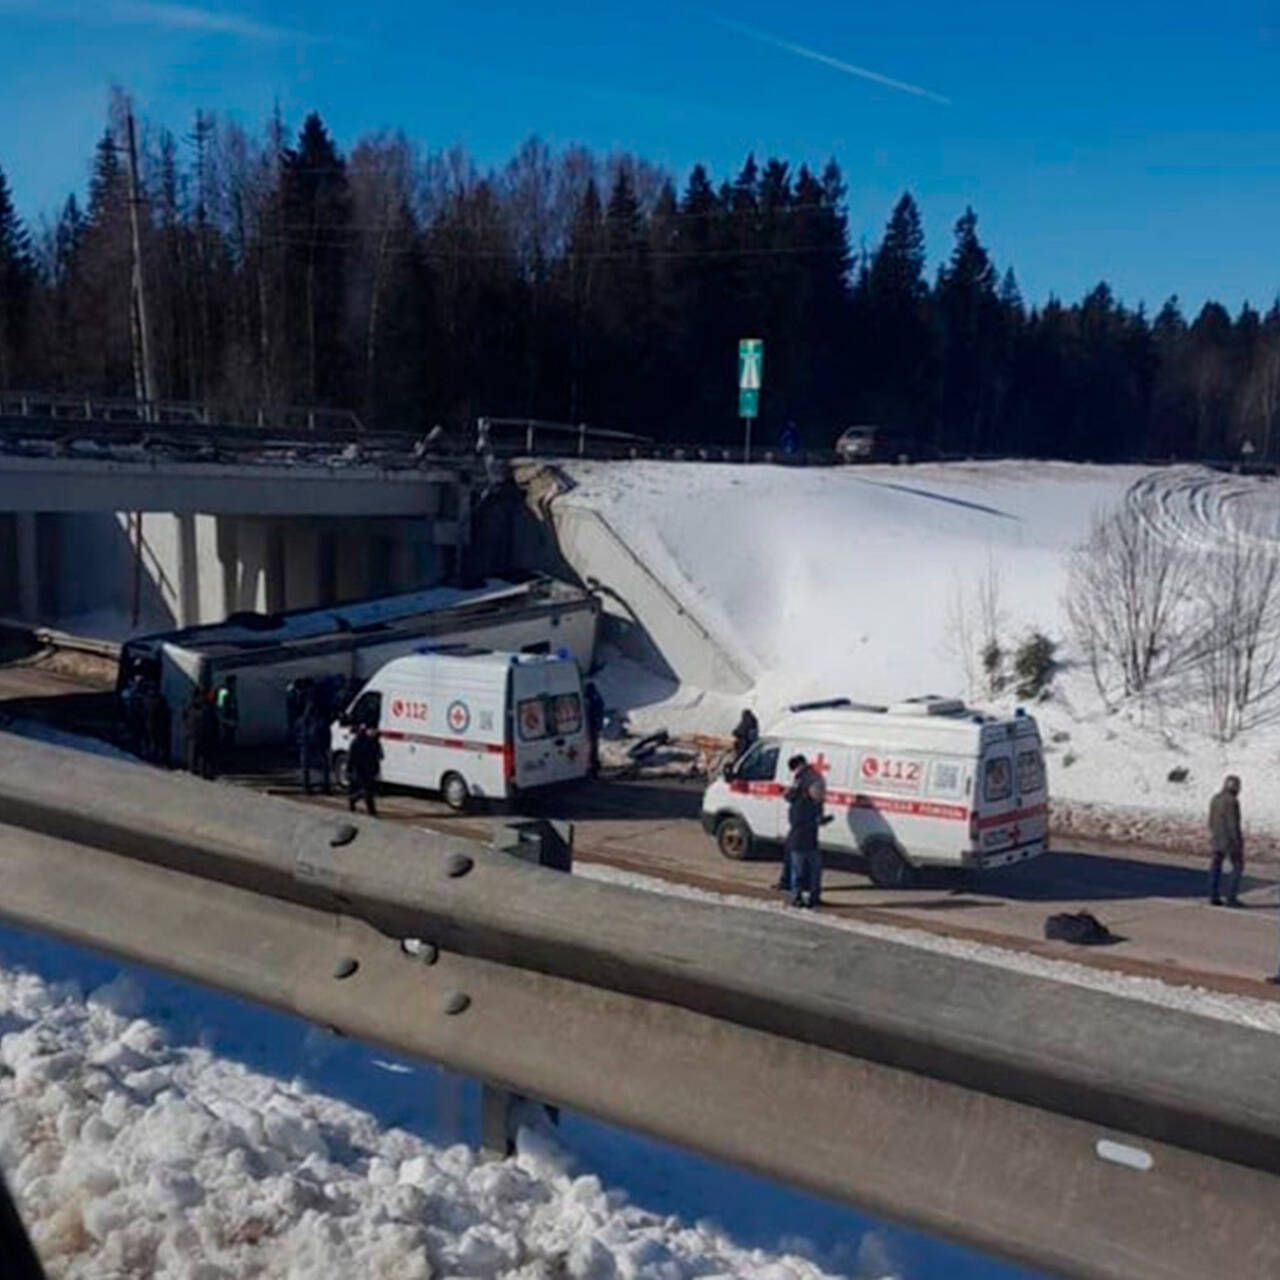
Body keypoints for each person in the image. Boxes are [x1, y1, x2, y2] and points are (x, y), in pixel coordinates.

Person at [784, 753, 827, 909]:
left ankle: (797, 896)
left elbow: (789, 796)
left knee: (798, 867)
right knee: (813, 867)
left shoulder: (802, 779)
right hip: (810, 832)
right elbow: (819, 802)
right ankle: (813, 896)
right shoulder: (816, 777)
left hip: (800, 830)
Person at [1208, 774, 1245, 907]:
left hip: (1217, 838)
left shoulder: (1215, 799)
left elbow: (1211, 820)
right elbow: (1233, 824)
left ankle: (1213, 895)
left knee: (1216, 866)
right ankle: (1231, 897)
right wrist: (1237, 841)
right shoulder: (1232, 802)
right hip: (1229, 840)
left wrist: (1214, 834)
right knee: (1237, 866)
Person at [299, 685, 332, 795]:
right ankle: (324, 786)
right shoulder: (322, 708)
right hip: (317, 738)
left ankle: (307, 787)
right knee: (324, 763)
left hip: (309, 738)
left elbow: (304, 722)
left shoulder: (309, 708)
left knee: (307, 765)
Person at [347, 722, 383, 816]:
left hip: (370, 768)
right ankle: (371, 810)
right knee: (368, 790)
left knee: (368, 789)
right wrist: (350, 769)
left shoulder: (373, 742)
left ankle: (353, 799)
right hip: (361, 768)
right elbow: (352, 757)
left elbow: (378, 755)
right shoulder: (357, 742)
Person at [214, 674, 239, 768]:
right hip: (226, 721)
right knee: (225, 742)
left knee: (230, 742)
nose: (235, 685)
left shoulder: (232, 692)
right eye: (234, 682)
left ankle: (228, 761)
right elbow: (220, 706)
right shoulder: (223, 692)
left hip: (231, 720)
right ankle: (223, 762)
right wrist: (223, 720)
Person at [583, 681, 605, 776]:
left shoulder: (588, 698)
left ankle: (591, 766)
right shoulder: (596, 698)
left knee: (590, 747)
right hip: (593, 725)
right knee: (593, 746)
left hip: (590, 725)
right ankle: (593, 765)